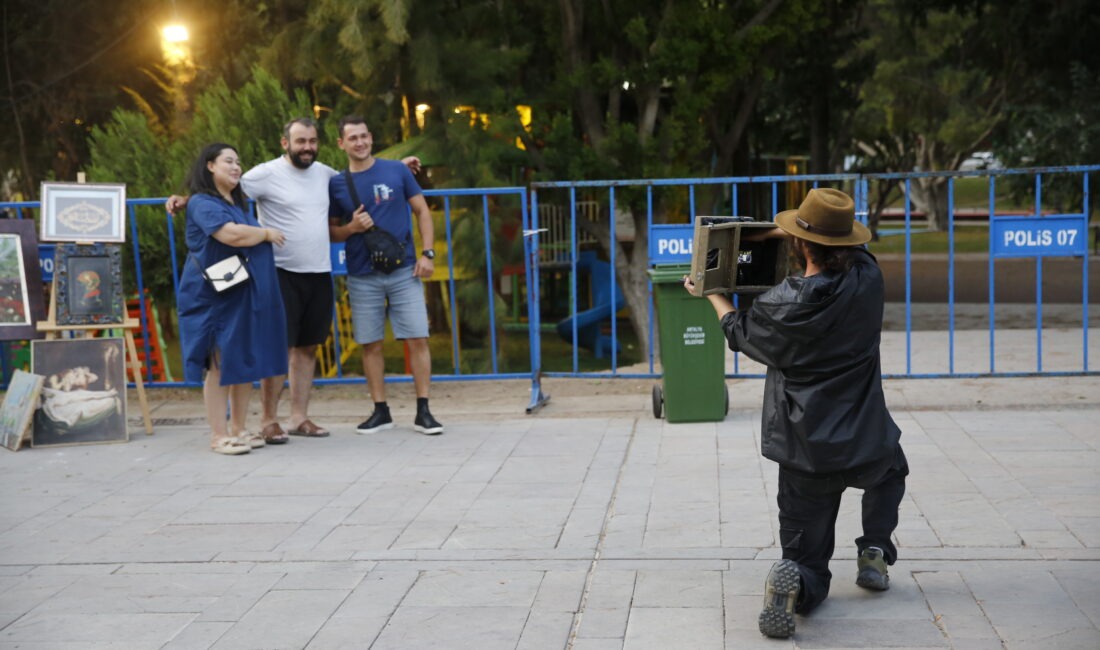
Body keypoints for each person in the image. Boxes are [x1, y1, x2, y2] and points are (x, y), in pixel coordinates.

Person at [684, 188, 908, 639]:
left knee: (807, 559)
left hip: (806, 445)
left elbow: (737, 329)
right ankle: (876, 551)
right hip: (866, 432)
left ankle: (799, 585)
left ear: (800, 245)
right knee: (891, 471)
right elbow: (852, 251)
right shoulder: (867, 279)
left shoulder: (781, 306)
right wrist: (799, 235)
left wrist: (711, 293)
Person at [168, 118, 421, 442]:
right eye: (300, 141)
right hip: (279, 273)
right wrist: (185, 199)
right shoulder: (264, 173)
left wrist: (397, 167)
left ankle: (299, 417)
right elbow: (221, 189)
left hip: (317, 271)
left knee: (307, 348)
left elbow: (362, 171)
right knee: (277, 348)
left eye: (313, 141)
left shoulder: (325, 174)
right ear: (285, 143)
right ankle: (269, 421)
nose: (307, 147)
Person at [328, 115, 443, 436]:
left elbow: (422, 211)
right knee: (370, 343)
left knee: (418, 338)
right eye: (353, 138)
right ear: (341, 144)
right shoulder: (336, 183)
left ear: (371, 137)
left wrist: (428, 253)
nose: (360, 142)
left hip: (405, 269)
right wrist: (351, 228)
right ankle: (381, 411)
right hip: (362, 273)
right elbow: (332, 232)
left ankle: (424, 410)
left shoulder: (396, 170)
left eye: (364, 136)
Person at [176, 143, 288, 455]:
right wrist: (265, 233)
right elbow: (230, 235)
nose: (236, 167)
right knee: (219, 363)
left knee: (242, 359)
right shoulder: (202, 202)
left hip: (240, 293)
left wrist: (257, 232)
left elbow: (239, 230)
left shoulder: (238, 205)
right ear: (210, 165)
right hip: (212, 295)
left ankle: (239, 428)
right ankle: (218, 434)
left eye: (238, 162)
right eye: (229, 161)